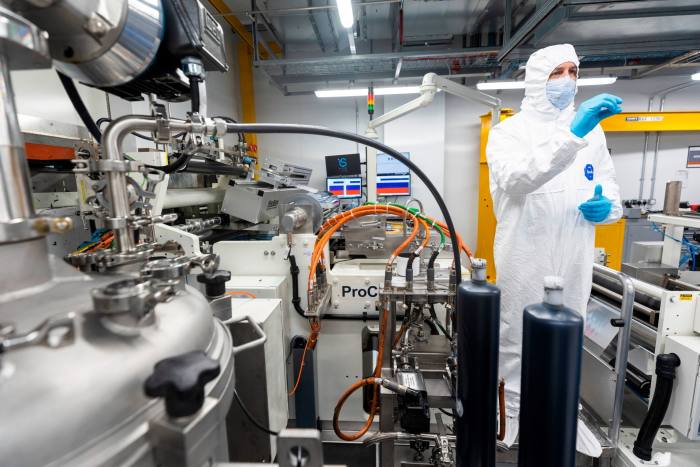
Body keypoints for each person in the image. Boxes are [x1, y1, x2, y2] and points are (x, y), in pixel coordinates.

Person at [486, 44, 623, 456]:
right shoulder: (509, 132)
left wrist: (608, 210)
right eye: (557, 72)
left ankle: (562, 415)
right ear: (536, 79)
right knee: (516, 336)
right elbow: (519, 179)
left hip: (576, 251)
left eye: (573, 71)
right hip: (527, 252)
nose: (568, 80)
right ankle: (509, 418)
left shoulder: (593, 135)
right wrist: (574, 132)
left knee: (570, 335)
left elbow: (611, 189)